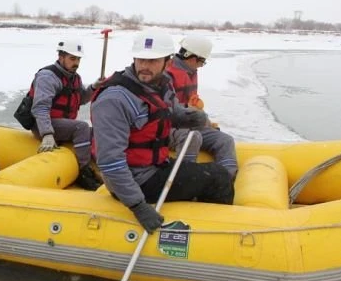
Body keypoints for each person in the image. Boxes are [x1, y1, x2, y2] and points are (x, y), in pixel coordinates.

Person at [90, 29, 234, 234]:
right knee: (218, 178)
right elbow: (111, 163)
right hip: (136, 180)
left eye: (153, 61)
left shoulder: (162, 84)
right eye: (141, 59)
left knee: (209, 171)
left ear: (168, 62)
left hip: (155, 166)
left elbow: (169, 112)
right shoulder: (115, 100)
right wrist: (138, 206)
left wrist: (190, 117)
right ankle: (220, 233)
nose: (145, 67)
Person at [14, 39, 102, 190]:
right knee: (81, 127)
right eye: (72, 58)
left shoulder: (75, 77)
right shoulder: (48, 77)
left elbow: (80, 99)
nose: (76, 63)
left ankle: (102, 168)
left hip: (62, 124)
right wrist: (47, 134)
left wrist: (94, 87)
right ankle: (83, 172)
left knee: (95, 132)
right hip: (43, 124)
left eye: (78, 59)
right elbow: (40, 108)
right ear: (61, 57)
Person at [166, 35, 238, 178]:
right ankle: (185, 179)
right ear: (193, 58)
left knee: (225, 140)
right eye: (202, 62)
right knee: (192, 138)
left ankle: (226, 179)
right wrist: (190, 109)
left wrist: (206, 122)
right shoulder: (166, 75)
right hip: (168, 128)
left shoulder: (190, 72)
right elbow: (163, 107)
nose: (200, 66)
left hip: (189, 123)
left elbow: (192, 107)